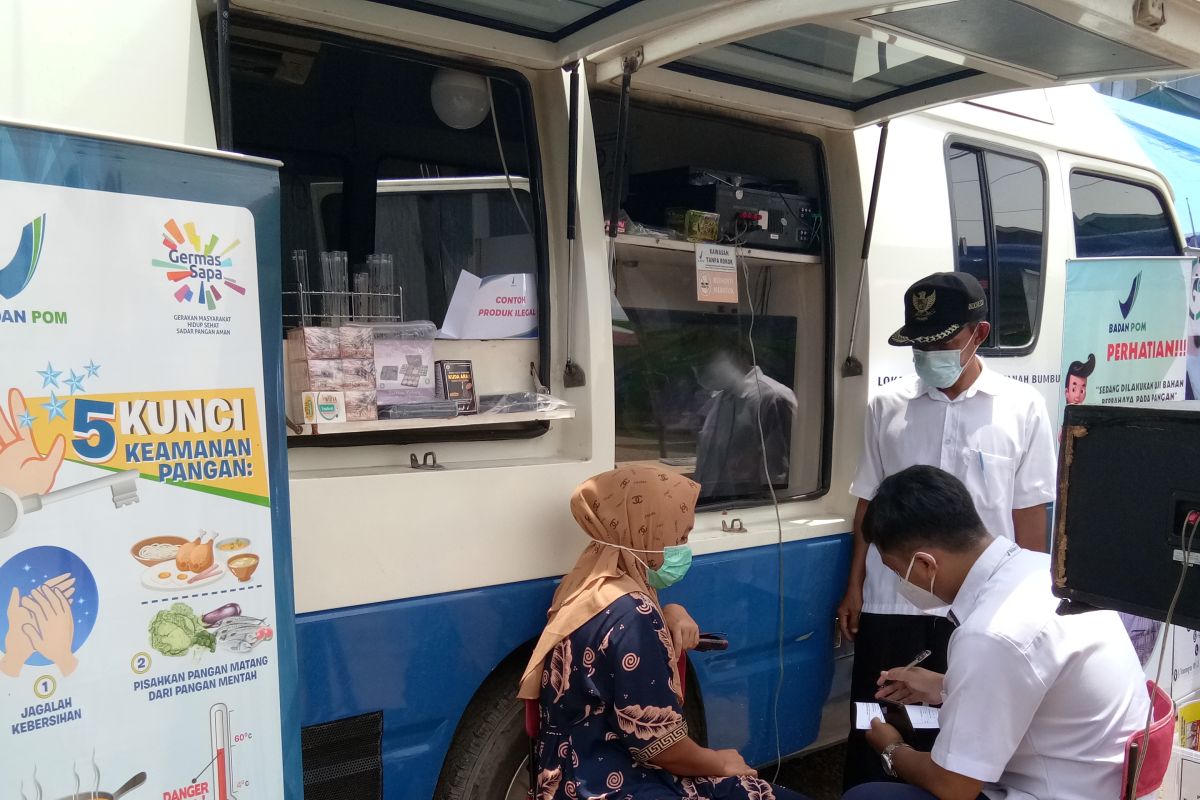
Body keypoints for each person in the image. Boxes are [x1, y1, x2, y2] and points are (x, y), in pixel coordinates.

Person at [837, 272, 1057, 790]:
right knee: (878, 712)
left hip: (978, 604)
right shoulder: (888, 407)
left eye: (941, 343)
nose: (926, 354)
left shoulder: (1020, 408)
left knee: (956, 724)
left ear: (978, 334)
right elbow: (868, 501)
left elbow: (1029, 513)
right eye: (919, 344)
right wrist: (854, 586)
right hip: (892, 598)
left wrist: (1033, 598)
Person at [845, 465, 1148, 800]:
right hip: (1097, 781)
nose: (902, 584)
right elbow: (1038, 685)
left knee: (868, 795)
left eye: (897, 572)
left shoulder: (991, 633)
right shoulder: (1043, 572)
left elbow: (954, 786)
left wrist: (892, 748)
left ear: (926, 564)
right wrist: (943, 685)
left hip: (1055, 791)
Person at [518, 466, 809, 800]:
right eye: (679, 537)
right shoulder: (634, 614)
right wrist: (722, 762)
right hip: (618, 786)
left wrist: (670, 612)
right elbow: (659, 747)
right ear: (646, 533)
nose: (683, 549)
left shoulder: (584, 587)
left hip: (566, 779)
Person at [692, 337, 797, 502]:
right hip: (711, 505)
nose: (698, 370)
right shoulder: (720, 398)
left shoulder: (771, 397)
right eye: (695, 363)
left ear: (736, 355)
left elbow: (776, 474)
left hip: (746, 511)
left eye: (706, 360)